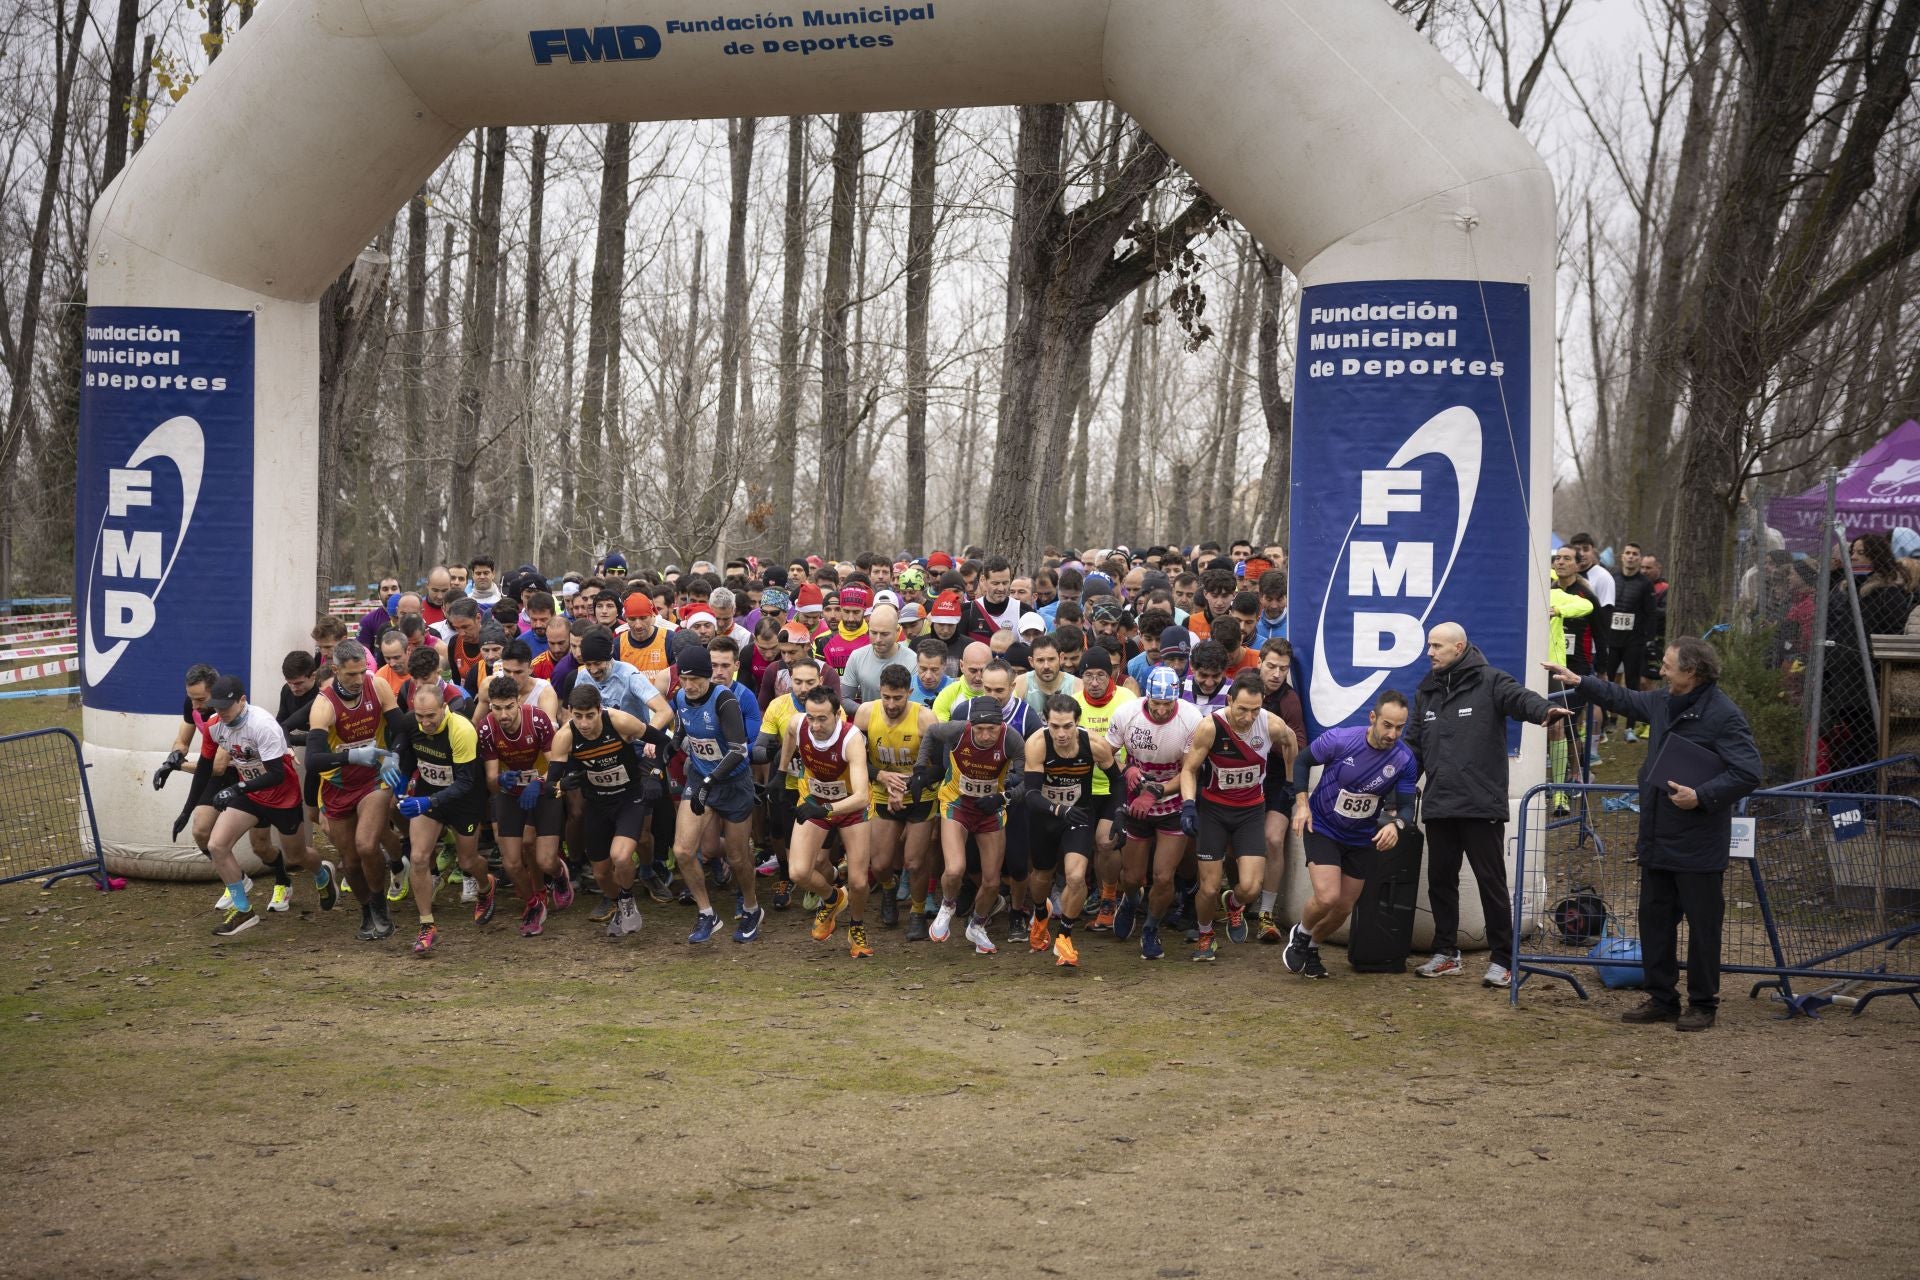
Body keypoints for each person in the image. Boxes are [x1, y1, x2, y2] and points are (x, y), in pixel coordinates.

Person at [1545, 637, 1762, 1030]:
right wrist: (1582, 681)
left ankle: (1702, 1004)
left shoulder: (1724, 715)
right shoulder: (1664, 701)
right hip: (1658, 836)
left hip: (1698, 842)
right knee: (1654, 921)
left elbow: (1747, 771)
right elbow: (1625, 699)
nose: (1660, 671)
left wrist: (1701, 796)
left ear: (1691, 672)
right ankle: (1661, 997)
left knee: (1703, 927)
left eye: (1667, 665)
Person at [1406, 623, 1569, 987]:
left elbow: (1520, 699)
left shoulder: (1491, 680)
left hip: (1481, 804)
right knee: (1440, 883)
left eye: (1436, 646)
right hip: (1439, 804)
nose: (1429, 652)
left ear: (1459, 647)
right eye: (1428, 646)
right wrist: (1392, 785)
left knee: (1491, 883)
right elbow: (1413, 747)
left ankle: (1503, 959)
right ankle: (1446, 953)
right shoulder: (1426, 690)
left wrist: (1545, 711)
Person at [1286, 690, 1419, 979]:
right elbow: (1301, 762)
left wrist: (1396, 826)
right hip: (1322, 826)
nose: (1393, 733)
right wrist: (1302, 804)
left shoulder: (1404, 759)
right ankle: (1301, 934)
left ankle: (1311, 948)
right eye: (1387, 725)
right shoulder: (1341, 740)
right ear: (1373, 718)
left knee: (1344, 907)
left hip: (1360, 837)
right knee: (1327, 896)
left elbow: (1408, 807)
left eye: (1400, 727)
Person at [200, 676, 337, 938]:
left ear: (242, 702)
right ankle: (243, 910)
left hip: (281, 796)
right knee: (217, 845)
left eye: (226, 708)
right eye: (217, 708)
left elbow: (276, 774)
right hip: (251, 795)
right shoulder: (215, 726)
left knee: (297, 856)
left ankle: (322, 872)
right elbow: (206, 765)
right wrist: (192, 805)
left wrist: (237, 788)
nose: (222, 714)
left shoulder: (262, 725)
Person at [1175, 670, 1298, 961]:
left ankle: (1233, 903)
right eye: (1242, 709)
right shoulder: (1210, 727)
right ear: (1230, 701)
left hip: (1251, 811)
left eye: (1255, 710)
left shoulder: (1270, 724)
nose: (1248, 717)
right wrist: (1189, 805)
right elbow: (1189, 769)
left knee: (1251, 888)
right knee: (1208, 887)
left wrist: (1292, 783)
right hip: (1214, 810)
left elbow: (1292, 742)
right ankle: (1206, 936)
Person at [302, 639, 405, 939]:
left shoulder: (378, 686)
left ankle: (380, 903)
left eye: (362, 672)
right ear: (335, 671)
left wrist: (393, 754)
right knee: (350, 860)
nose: (359, 680)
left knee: (367, 845)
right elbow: (313, 760)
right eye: (351, 675)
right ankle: (366, 909)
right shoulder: (323, 705)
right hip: (337, 784)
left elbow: (401, 729)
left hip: (374, 778)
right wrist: (352, 755)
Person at [911, 696, 1025, 954]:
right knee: (955, 869)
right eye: (979, 729)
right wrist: (920, 769)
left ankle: (978, 925)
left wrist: (1003, 797)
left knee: (992, 882)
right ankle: (948, 905)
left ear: (1001, 725)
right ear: (971, 725)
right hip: (956, 804)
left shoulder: (1012, 739)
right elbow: (930, 733)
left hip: (990, 810)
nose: (985, 736)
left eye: (991, 729)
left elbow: (1030, 779)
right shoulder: (957, 730)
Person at [669, 644, 765, 945]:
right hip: (700, 778)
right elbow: (683, 732)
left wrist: (711, 780)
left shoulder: (725, 700)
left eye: (696, 679)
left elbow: (738, 751)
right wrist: (663, 751)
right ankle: (707, 913)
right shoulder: (680, 697)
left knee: (737, 858)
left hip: (734, 784)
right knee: (683, 851)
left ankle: (751, 906)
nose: (689, 685)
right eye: (684, 679)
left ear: (708, 676)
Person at [1108, 667, 1203, 960]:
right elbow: (1107, 754)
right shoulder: (1127, 714)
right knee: (1133, 875)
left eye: (1168, 704)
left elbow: (1190, 770)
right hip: (1137, 802)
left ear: (1177, 699)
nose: (1162, 710)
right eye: (1156, 703)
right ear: (1146, 697)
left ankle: (1151, 926)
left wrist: (1158, 791)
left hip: (1171, 802)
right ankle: (1130, 899)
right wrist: (1128, 769)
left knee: (1163, 877)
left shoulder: (1191, 719)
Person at [395, 682, 495, 955]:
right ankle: (427, 924)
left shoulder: (461, 730)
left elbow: (464, 783)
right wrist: (400, 782)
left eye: (431, 716)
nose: (425, 722)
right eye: (420, 716)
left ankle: (486, 886)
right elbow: (407, 757)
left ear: (444, 708)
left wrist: (428, 801)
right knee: (418, 858)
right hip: (430, 792)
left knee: (467, 861)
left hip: (464, 799)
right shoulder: (412, 723)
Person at [1022, 693, 1116, 967]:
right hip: (1045, 817)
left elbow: (1118, 782)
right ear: (1046, 723)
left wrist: (1117, 813)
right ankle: (1041, 913)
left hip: (1079, 815)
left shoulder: (1095, 744)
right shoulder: (1037, 744)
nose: (1061, 733)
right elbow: (1030, 794)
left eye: (1067, 726)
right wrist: (1059, 810)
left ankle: (1064, 936)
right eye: (1055, 726)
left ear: (1078, 723)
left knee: (1076, 878)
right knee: (1042, 875)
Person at [780, 687, 875, 957]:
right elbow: (789, 734)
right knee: (797, 872)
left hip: (850, 809)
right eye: (811, 717)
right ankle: (833, 898)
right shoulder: (798, 724)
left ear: (837, 714)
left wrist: (827, 810)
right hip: (814, 801)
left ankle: (856, 926)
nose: (816, 725)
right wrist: (780, 770)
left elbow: (860, 797)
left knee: (858, 881)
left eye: (823, 718)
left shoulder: (851, 738)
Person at [477, 674, 570, 937]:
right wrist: (500, 780)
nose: (503, 714)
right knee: (511, 863)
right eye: (497, 708)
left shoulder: (538, 719)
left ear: (518, 701)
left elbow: (556, 766)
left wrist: (538, 783)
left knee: (545, 859)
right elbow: (491, 782)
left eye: (508, 707)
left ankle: (559, 873)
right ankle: (533, 904)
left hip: (543, 788)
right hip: (511, 793)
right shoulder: (486, 729)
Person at [854, 664, 937, 939]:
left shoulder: (925, 719)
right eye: (886, 697)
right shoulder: (866, 713)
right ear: (880, 691)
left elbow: (941, 767)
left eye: (898, 698)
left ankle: (916, 911)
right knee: (878, 864)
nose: (891, 704)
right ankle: (888, 890)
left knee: (914, 862)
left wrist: (907, 784)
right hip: (881, 791)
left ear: (910, 693)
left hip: (920, 795)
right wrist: (882, 777)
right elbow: (855, 760)